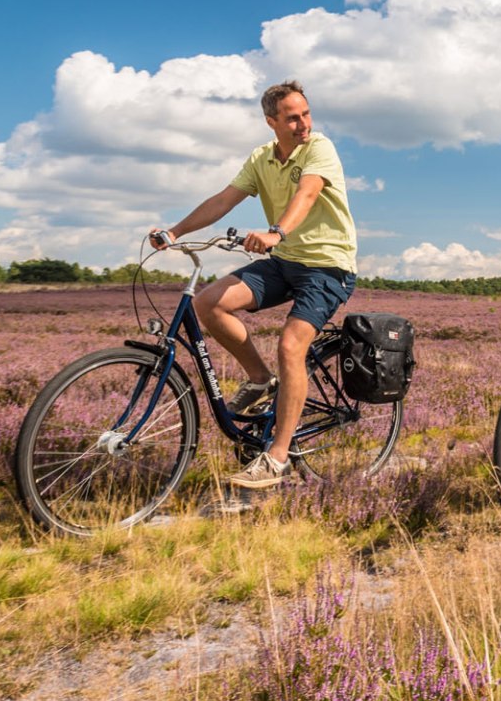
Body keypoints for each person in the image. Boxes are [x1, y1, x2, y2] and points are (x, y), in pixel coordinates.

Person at [149, 80, 357, 491]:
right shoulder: (261, 158)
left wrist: (277, 231)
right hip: (284, 262)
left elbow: (309, 192)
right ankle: (261, 379)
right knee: (208, 303)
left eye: (306, 113)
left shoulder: (319, 148)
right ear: (271, 122)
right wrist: (173, 232)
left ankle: (277, 457)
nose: (303, 124)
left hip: (327, 266)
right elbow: (223, 200)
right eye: (293, 117)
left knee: (291, 346)